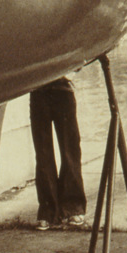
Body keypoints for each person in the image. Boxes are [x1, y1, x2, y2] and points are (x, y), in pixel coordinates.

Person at [29, 76, 88, 230]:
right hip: (38, 91)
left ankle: (73, 207)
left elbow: (78, 65)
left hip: (63, 90)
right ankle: (48, 211)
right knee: (43, 153)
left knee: (70, 151)